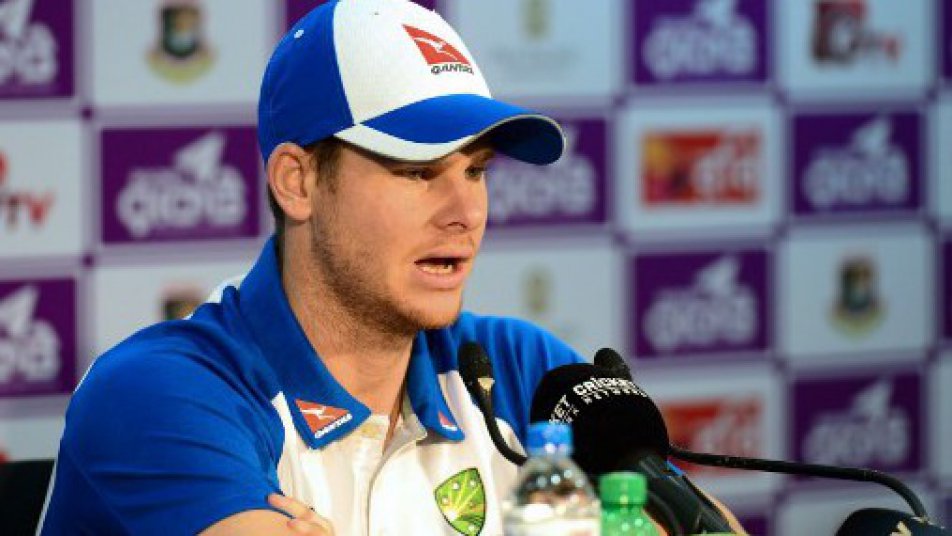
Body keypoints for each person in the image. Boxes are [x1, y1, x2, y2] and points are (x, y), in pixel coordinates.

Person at [40, 1, 743, 534]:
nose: (465, 211)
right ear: (298, 182)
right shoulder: (162, 392)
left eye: (476, 170)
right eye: (418, 171)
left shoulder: (523, 370)